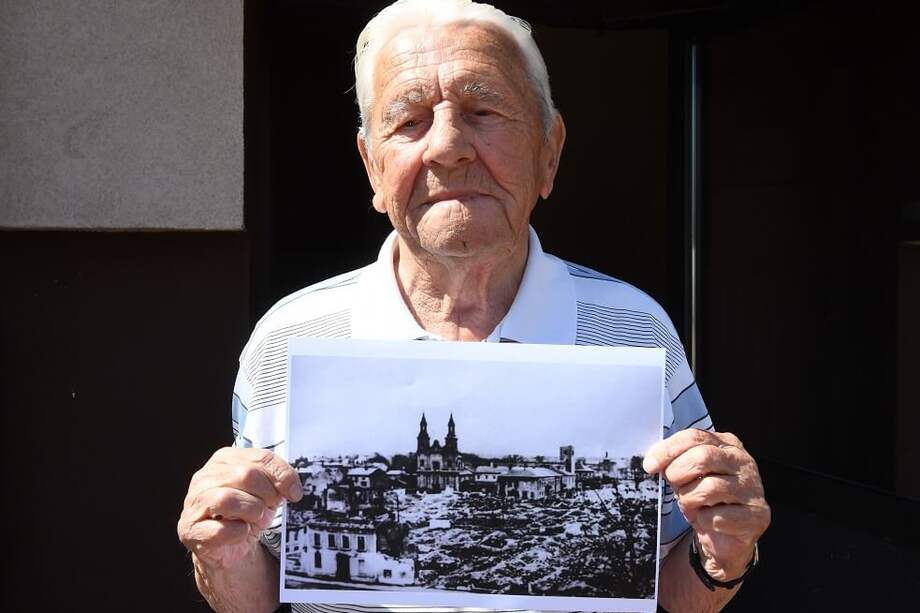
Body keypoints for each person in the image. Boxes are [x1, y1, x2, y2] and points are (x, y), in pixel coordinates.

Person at [177, 1, 771, 612]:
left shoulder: (636, 331)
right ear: (372, 167)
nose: (447, 147)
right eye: (408, 121)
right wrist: (220, 554)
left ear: (549, 150)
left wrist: (722, 552)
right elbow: (256, 593)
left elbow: (677, 590)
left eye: (483, 111)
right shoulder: (289, 337)